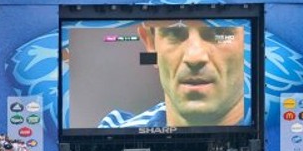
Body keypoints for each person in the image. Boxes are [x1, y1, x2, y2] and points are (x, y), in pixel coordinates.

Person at [98, 20, 248, 128]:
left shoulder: (271, 136)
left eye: (219, 32)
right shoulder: (109, 135)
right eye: (174, 32)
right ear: (151, 44)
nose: (194, 57)